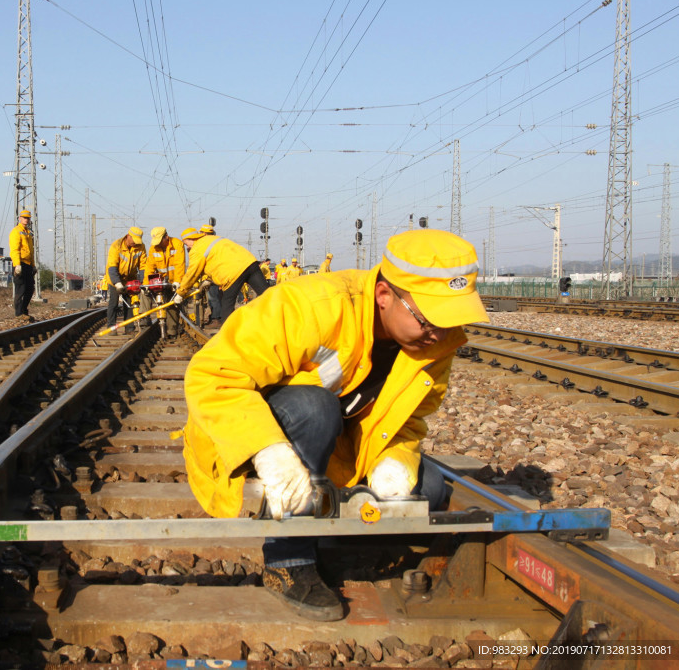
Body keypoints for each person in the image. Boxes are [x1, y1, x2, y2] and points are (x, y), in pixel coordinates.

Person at [182, 230, 489, 621]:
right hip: (251, 435)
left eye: (452, 321)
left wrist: (395, 461)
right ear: (384, 297)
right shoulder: (313, 306)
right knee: (315, 406)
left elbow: (409, 422)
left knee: (427, 488)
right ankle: (287, 559)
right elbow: (212, 374)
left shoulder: (434, 345)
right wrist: (268, 451)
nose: (440, 334)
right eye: (431, 320)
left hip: (340, 445)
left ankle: (323, 518)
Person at [172, 226, 268, 326]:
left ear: (190, 239)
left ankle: (227, 335)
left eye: (185, 243)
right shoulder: (212, 238)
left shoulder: (196, 249)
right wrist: (210, 279)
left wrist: (180, 293)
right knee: (268, 295)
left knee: (227, 304)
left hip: (233, 273)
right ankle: (278, 322)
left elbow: (192, 273)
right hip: (250, 262)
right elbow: (218, 260)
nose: (187, 247)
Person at [144, 227, 186, 338]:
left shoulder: (177, 244)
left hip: (173, 281)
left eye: (159, 241)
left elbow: (179, 265)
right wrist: (146, 284)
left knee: (172, 305)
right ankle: (144, 322)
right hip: (160, 281)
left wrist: (177, 281)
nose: (158, 244)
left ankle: (172, 332)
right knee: (146, 296)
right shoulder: (153, 248)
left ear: (166, 237)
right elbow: (149, 267)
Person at [105, 227, 146, 332]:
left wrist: (142, 283)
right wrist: (117, 283)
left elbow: (143, 267)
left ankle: (129, 327)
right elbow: (112, 266)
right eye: (134, 240)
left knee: (129, 302)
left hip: (130, 279)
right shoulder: (116, 246)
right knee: (114, 303)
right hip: (115, 278)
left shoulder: (141, 247)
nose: (135, 243)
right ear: (128, 236)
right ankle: (111, 327)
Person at [8, 209, 36, 319]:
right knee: (21, 289)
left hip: (28, 264)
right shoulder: (16, 231)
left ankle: (24, 311)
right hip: (20, 264)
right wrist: (17, 264)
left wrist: (33, 265)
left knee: (30, 289)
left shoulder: (28, 233)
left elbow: (31, 251)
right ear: (20, 218)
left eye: (28, 218)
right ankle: (19, 314)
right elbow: (14, 249)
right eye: (24, 217)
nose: (26, 219)